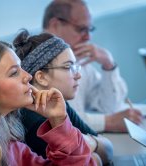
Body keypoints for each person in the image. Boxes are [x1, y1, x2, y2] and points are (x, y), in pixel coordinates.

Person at [13, 29, 113, 165]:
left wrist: (88, 141)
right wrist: (89, 143)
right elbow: (92, 161)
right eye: (68, 67)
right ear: (41, 77)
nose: (78, 75)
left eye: (76, 67)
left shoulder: (58, 104)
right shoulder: (34, 121)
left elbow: (108, 149)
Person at [42, 0, 143, 132]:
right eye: (81, 29)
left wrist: (108, 65)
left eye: (90, 29)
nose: (88, 37)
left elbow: (107, 106)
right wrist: (110, 122)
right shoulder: (39, 62)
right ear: (55, 25)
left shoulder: (77, 60)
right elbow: (62, 120)